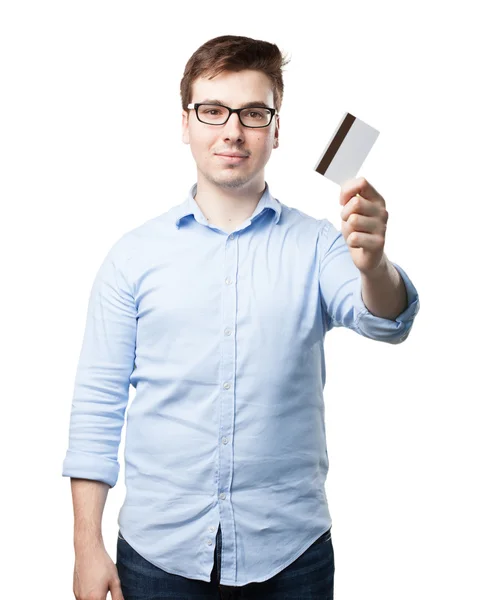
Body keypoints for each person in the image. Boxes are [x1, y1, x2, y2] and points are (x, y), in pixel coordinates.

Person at [62, 34, 420, 600]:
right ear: (187, 124)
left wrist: (375, 265)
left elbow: (386, 321)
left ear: (276, 129)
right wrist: (87, 546)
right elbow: (96, 408)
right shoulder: (132, 257)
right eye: (214, 110)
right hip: (158, 559)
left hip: (291, 557)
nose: (233, 129)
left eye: (253, 112)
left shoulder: (321, 245)